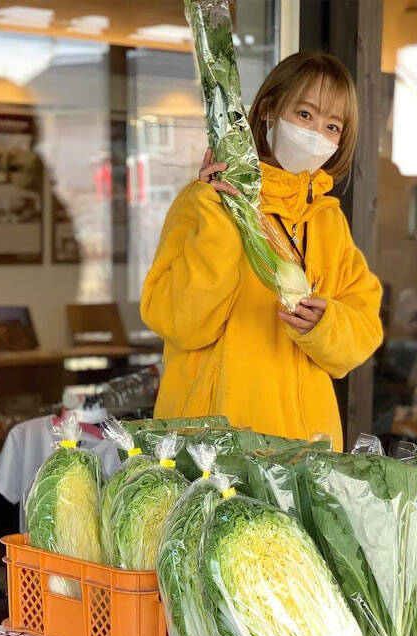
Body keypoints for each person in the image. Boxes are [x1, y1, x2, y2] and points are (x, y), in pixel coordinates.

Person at [140, 52, 383, 448]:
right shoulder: (204, 203)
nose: (317, 132)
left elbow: (362, 331)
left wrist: (324, 325)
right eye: (305, 115)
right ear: (269, 109)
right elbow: (179, 322)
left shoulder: (327, 220)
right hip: (215, 447)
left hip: (307, 451)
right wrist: (219, 218)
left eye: (332, 125)